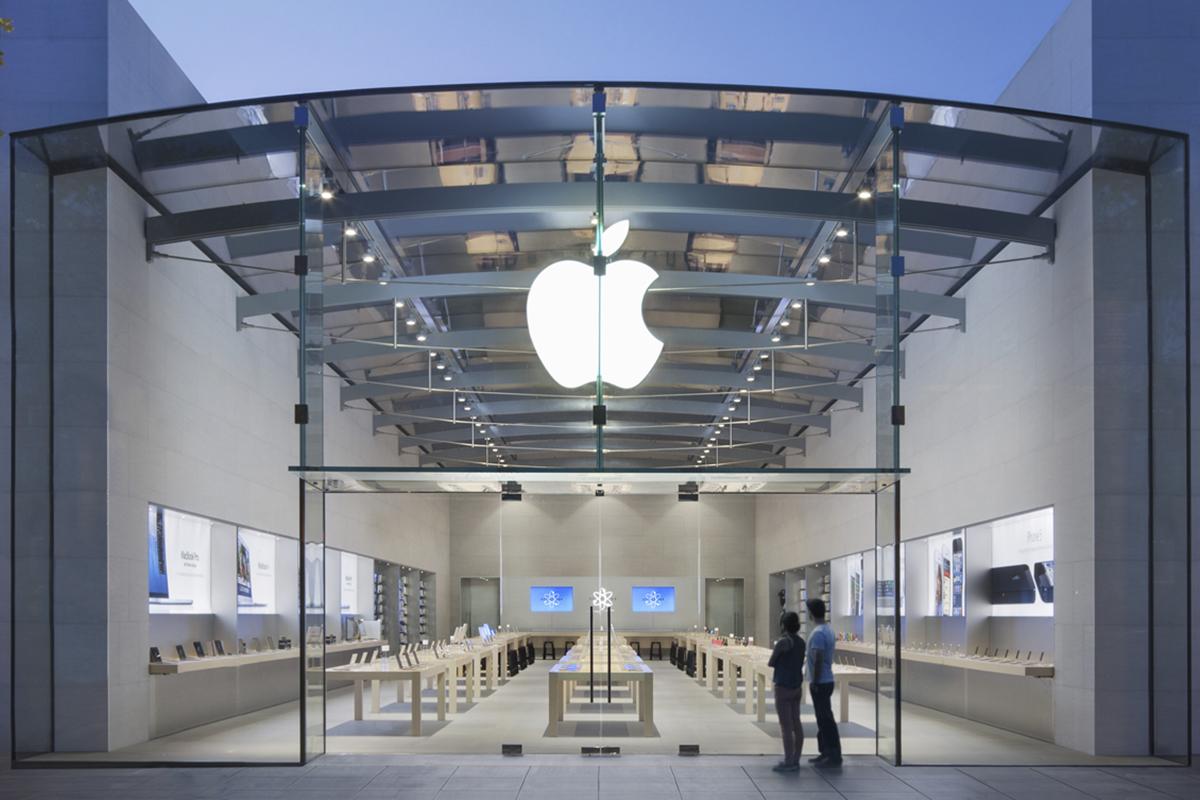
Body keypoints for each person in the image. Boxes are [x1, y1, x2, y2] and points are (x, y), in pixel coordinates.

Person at [767, 611, 806, 772]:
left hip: (783, 686)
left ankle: (788, 760)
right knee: (796, 723)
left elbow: (772, 662)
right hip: (797, 685)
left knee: (785, 726)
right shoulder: (801, 642)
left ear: (783, 625)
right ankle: (796, 759)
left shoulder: (783, 642)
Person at [806, 598, 842, 766]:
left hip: (821, 681)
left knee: (825, 718)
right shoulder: (827, 630)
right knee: (823, 718)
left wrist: (815, 680)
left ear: (811, 613)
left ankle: (832, 753)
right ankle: (826, 751)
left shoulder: (819, 633)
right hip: (825, 679)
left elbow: (818, 658)